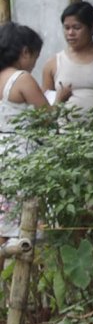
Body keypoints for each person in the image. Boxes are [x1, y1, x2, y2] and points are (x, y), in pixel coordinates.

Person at [0, 22, 51, 238]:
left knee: (3, 219)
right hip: (22, 152)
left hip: (2, 150)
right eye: (35, 58)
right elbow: (48, 116)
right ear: (25, 52)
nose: (33, 65)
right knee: (27, 219)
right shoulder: (22, 79)